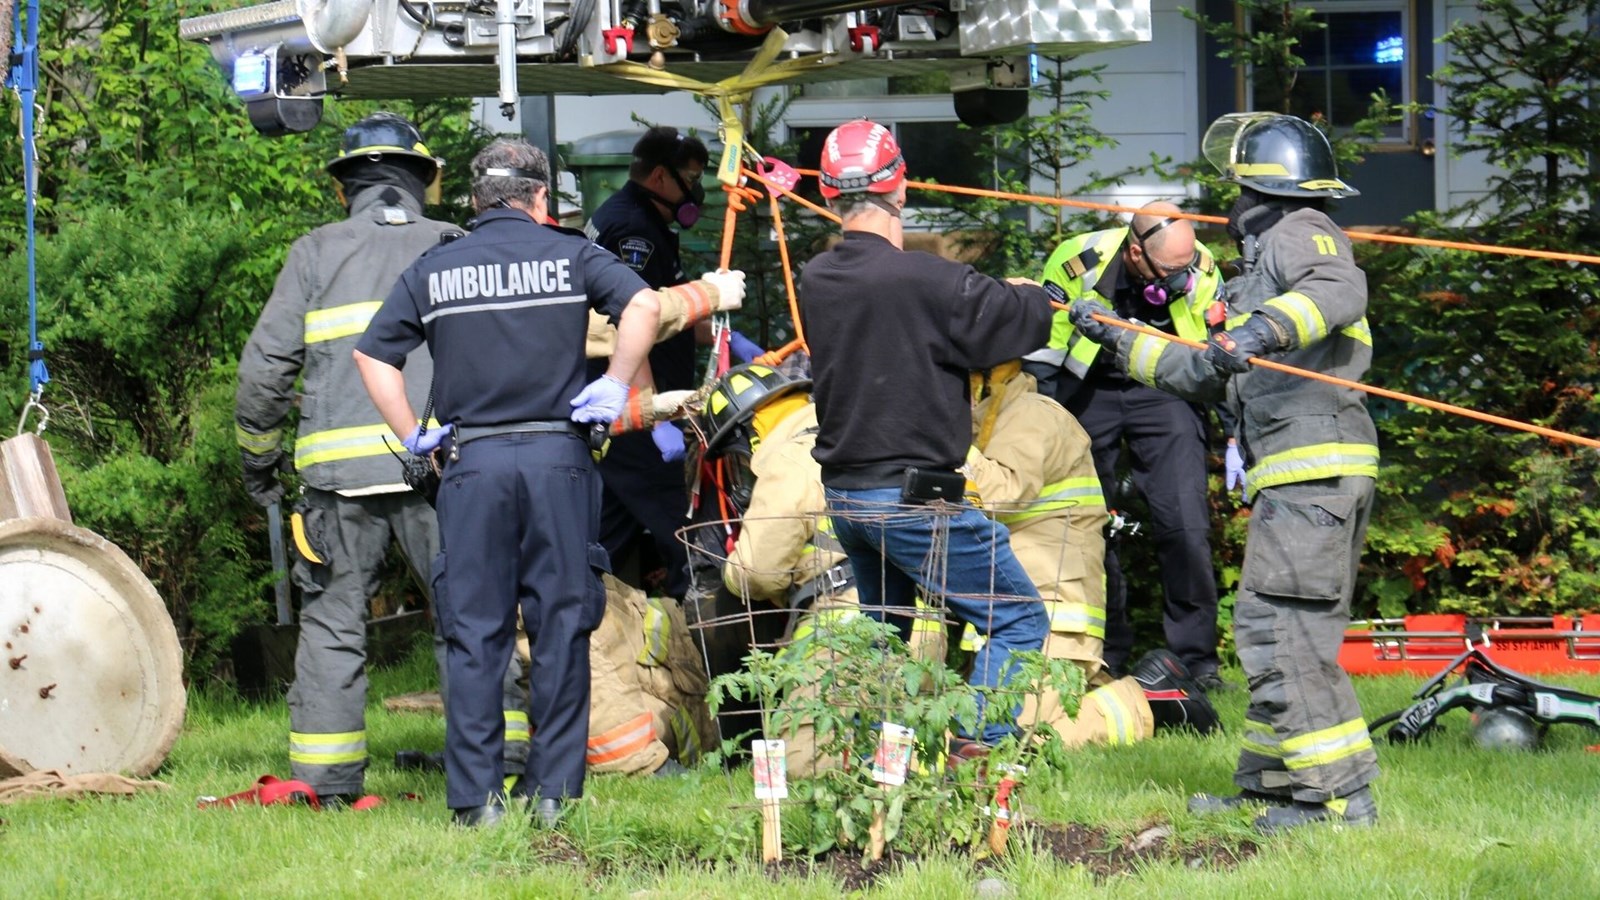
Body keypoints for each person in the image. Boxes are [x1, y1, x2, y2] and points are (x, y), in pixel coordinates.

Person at [354, 137, 743, 826]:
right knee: (561, 625)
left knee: (476, 633)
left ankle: (476, 803)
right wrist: (615, 385)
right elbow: (643, 308)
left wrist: (414, 433)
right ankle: (553, 796)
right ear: (538, 197)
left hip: (472, 466)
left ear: (476, 200)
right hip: (557, 462)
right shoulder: (572, 254)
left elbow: (373, 356)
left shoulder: (436, 267)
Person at [1068, 112, 1380, 833]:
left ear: (1260, 188)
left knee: (1287, 635)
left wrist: (1259, 330)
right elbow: (1203, 373)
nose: (1229, 203)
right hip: (1297, 475)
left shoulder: (1302, 229)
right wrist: (1113, 336)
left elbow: (1338, 291)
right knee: (1267, 627)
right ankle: (1276, 787)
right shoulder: (1262, 265)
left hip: (1315, 469)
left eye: (1236, 188)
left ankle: (1339, 801)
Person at [234, 112, 523, 802]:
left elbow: (264, 371)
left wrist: (259, 464)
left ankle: (326, 782)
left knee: (333, 624)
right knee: (470, 617)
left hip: (339, 484)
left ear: (344, 189)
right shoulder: (459, 245)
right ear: (425, 182)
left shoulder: (315, 252)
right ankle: (501, 764)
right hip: (447, 474)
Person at [799, 119, 1055, 752]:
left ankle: (877, 769)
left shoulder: (818, 279)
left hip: (847, 497)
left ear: (829, 195)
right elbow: (1016, 323)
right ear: (901, 187)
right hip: (914, 499)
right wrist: (1032, 295)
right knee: (1018, 620)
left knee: (882, 640)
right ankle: (977, 753)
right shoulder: (929, 280)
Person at [1023, 201, 1226, 686]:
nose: (1182, 280)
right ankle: (1104, 655)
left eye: (1185, 268)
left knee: (1185, 523)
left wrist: (1232, 428)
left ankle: (1197, 663)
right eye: (1170, 272)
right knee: (1089, 523)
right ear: (1136, 253)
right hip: (1089, 387)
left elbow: (1216, 357)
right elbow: (1044, 351)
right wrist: (1044, 422)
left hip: (1165, 390)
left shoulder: (1201, 266)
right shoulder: (1079, 260)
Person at [964, 361, 1220, 744]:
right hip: (1016, 621)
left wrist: (939, 444)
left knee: (1007, 739)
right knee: (973, 724)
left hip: (1053, 622)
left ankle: (1155, 702)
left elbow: (998, 493)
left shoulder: (1032, 415)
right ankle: (1104, 690)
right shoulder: (987, 421)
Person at [586, 126, 762, 600]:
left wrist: (730, 339)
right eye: (692, 177)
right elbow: (630, 322)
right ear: (661, 177)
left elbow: (669, 313)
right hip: (636, 412)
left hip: (621, 412)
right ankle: (709, 624)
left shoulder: (636, 217)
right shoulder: (634, 232)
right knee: (685, 529)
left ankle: (575, 612)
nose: (696, 190)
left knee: (606, 531)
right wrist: (653, 414)